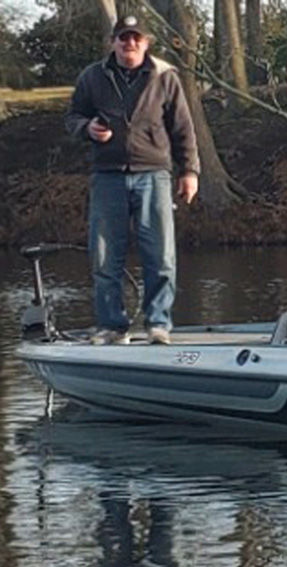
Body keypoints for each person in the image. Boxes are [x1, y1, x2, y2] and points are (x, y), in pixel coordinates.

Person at [65, 15, 199, 345]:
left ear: (146, 42)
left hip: (154, 174)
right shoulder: (92, 77)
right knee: (104, 257)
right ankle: (112, 325)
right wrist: (87, 129)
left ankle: (158, 323)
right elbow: (72, 117)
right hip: (107, 176)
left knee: (161, 255)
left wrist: (190, 171)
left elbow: (183, 128)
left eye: (136, 38)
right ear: (113, 42)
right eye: (123, 38)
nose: (130, 44)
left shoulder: (164, 77)